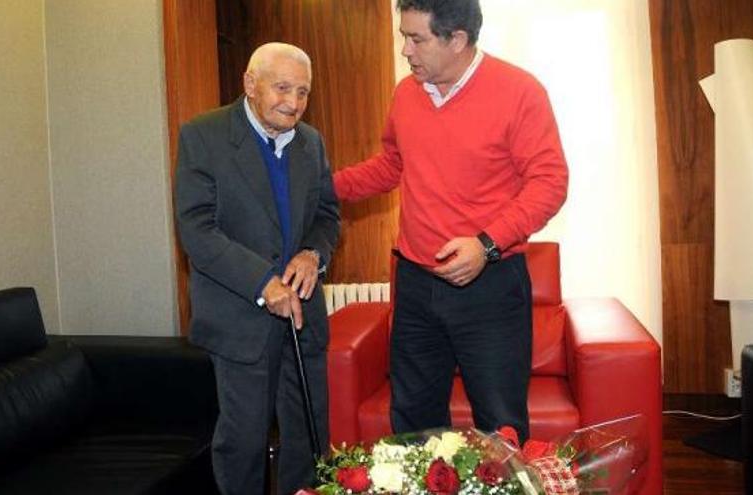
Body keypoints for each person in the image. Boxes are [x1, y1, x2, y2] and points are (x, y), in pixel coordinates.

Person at [333, 0, 568, 444]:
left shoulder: (519, 91)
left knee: (501, 429)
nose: (406, 50)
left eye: (416, 38)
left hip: (491, 286)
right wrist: (325, 187)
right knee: (413, 425)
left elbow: (550, 183)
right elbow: (391, 165)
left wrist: (487, 244)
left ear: (457, 39)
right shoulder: (406, 93)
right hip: (416, 287)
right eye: (403, 36)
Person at [175, 42, 340, 495]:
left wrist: (313, 254)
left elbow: (327, 216)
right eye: (282, 88)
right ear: (250, 84)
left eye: (303, 92)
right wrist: (262, 283)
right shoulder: (203, 136)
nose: (293, 102)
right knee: (244, 442)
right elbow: (197, 230)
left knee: (308, 437)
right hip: (239, 317)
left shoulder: (311, 142)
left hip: (304, 314)